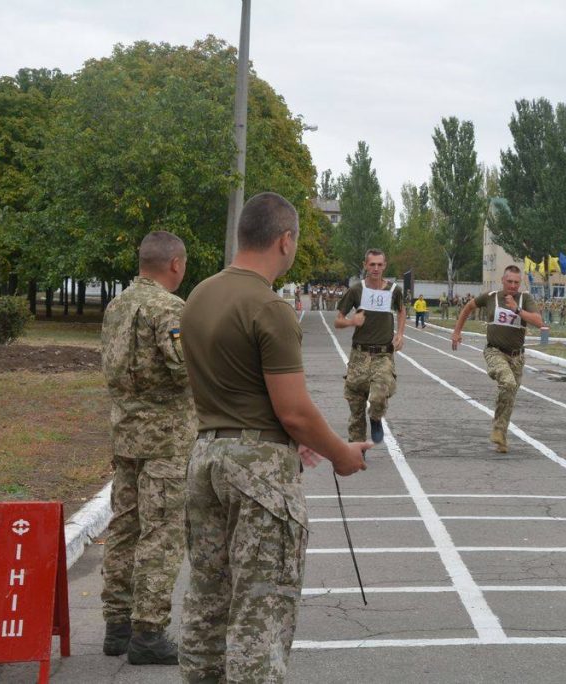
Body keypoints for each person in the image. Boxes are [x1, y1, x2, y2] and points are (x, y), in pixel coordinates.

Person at [178, 193, 369, 683]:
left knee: (207, 595)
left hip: (205, 456)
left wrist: (283, 431)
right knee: (260, 610)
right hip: (256, 472)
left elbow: (233, 385)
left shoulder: (199, 295)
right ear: (285, 240)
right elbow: (296, 410)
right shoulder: (270, 306)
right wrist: (341, 453)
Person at [100, 231, 196, 665]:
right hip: (165, 439)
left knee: (124, 527)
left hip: (125, 435)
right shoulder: (170, 308)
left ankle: (116, 626)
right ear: (175, 264)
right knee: (161, 532)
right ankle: (149, 632)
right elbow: (186, 370)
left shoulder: (116, 306)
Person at [450, 265, 543, 453]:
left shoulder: (525, 299)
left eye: (517, 282)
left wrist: (517, 310)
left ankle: (500, 434)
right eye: (510, 281)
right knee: (507, 383)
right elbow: (468, 307)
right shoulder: (491, 297)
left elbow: (539, 322)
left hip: (516, 356)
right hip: (495, 351)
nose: (513, 286)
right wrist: (457, 331)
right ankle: (499, 430)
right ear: (503, 280)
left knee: (509, 395)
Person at [335, 249, 407, 444]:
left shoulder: (393, 290)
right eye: (372, 264)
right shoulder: (356, 290)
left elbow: (402, 311)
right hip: (359, 355)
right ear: (365, 265)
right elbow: (338, 321)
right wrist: (352, 322)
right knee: (356, 407)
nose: (376, 268)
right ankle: (358, 449)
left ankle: (376, 418)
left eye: (379, 264)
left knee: (379, 395)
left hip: (383, 355)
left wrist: (400, 334)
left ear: (385, 266)